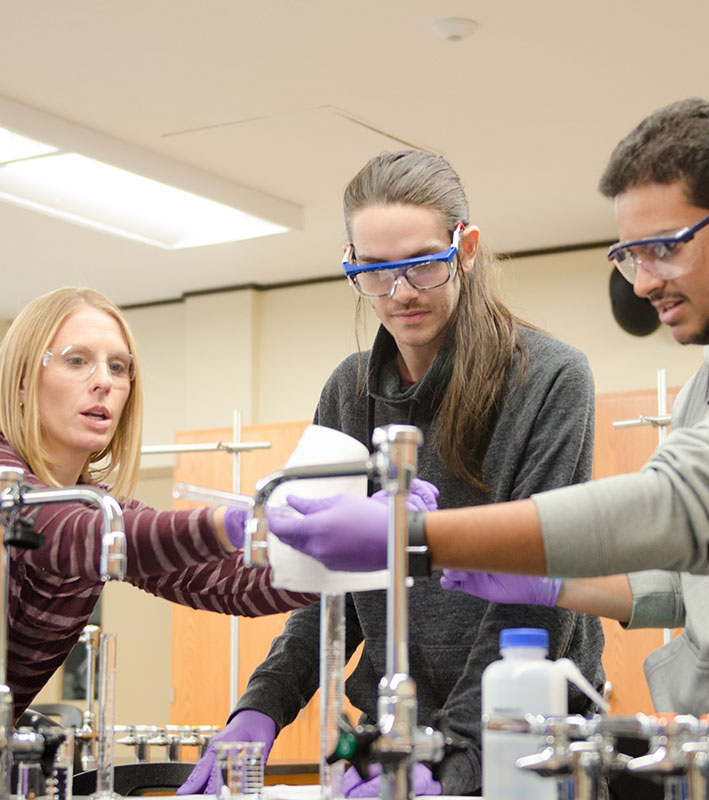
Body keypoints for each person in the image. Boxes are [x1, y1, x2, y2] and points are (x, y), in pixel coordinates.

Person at [268, 100, 709, 798]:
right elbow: (683, 581)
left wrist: (417, 537)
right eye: (629, 255)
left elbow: (687, 504)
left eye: (664, 247)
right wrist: (552, 583)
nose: (641, 284)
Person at [180, 150, 606, 797]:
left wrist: (452, 766)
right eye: (374, 272)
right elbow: (333, 592)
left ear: (466, 248)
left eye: (421, 265)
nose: (400, 292)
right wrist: (261, 707)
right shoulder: (351, 393)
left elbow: (530, 605)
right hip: (392, 741)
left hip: (528, 740)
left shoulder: (549, 381)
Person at [0, 287, 317, 721]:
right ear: (20, 381)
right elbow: (66, 536)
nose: (104, 381)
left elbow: (230, 580)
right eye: (77, 360)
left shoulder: (99, 510)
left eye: (118, 367)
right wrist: (232, 523)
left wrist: (359, 551)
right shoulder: (21, 489)